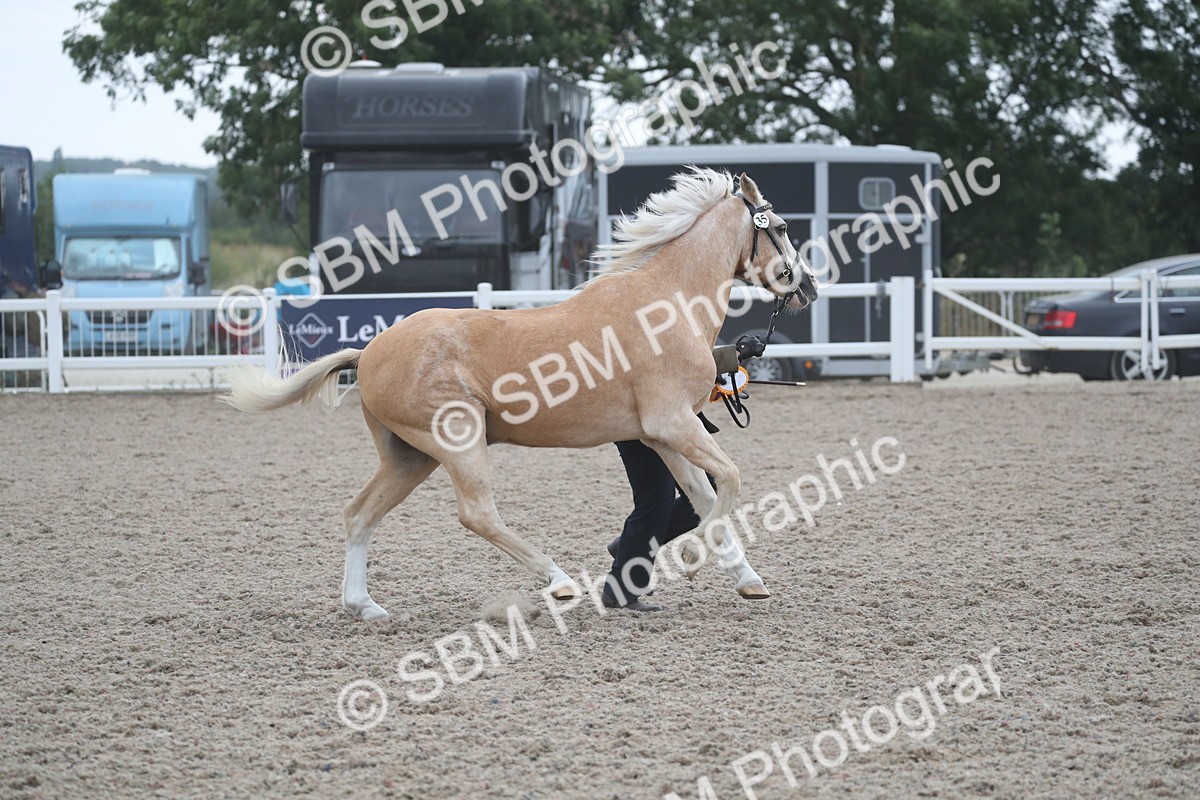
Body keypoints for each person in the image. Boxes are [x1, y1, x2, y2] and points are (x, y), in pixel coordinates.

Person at [601, 336, 764, 611]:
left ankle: (630, 546)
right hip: (638, 420)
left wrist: (732, 355)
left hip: (670, 416)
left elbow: (681, 354)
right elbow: (663, 358)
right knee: (655, 500)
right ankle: (621, 590)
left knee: (703, 493)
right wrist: (731, 356)